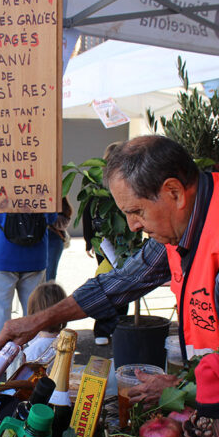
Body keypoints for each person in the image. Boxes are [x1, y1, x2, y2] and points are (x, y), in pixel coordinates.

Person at [0, 135, 219, 358]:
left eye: (136, 211)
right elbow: (122, 282)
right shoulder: (184, 218)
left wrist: (178, 388)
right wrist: (39, 320)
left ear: (174, 193)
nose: (133, 225)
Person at [0, 211, 57, 344]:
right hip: (35, 256)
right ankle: (32, 355)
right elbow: (52, 218)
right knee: (34, 311)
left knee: (0, 310)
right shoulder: (42, 190)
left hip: (2, 256)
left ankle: (0, 354)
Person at [82, 141, 130, 345]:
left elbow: (86, 211)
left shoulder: (102, 181)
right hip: (111, 242)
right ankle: (110, 327)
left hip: (109, 241)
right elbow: (87, 211)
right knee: (120, 283)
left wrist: (88, 240)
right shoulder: (113, 181)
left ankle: (109, 328)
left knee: (114, 282)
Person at [46, 197, 73, 282]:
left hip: (53, 240)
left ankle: (48, 295)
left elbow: (63, 222)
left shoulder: (59, 200)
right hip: (35, 240)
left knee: (49, 276)